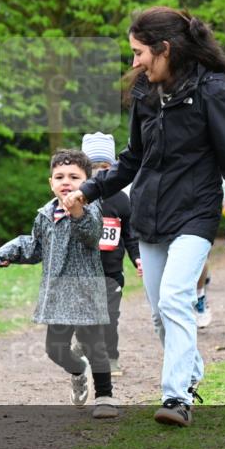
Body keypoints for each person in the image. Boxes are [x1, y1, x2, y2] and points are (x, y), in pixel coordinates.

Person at [65, 6, 225, 428]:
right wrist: (90, 188)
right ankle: (189, 373)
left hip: (195, 214)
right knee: (158, 313)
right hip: (149, 214)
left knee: (174, 300)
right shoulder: (145, 92)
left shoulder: (214, 90)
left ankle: (177, 397)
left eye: (139, 53)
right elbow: (134, 158)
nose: (134, 62)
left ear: (164, 48)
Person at [0, 149, 117, 419]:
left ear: (87, 183)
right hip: (58, 294)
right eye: (59, 176)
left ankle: (105, 395)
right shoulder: (45, 215)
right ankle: (77, 369)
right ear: (51, 182)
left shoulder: (92, 209)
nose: (66, 182)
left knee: (95, 343)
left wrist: (77, 212)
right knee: (55, 349)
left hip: (86, 292)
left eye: (74, 177)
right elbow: (36, 247)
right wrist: (10, 252)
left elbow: (92, 235)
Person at [81, 132, 141, 377]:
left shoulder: (123, 200)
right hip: (82, 271)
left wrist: (137, 257)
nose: (98, 173)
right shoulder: (78, 200)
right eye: (92, 167)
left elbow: (130, 234)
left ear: (114, 167)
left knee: (110, 318)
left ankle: (111, 358)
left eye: (104, 167)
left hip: (112, 272)